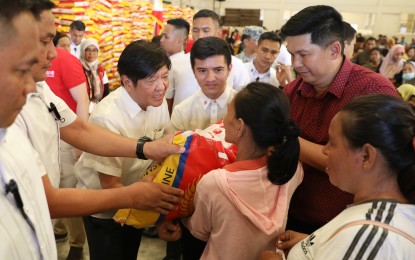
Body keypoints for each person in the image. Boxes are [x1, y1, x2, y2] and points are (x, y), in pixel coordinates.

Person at [7, 1, 184, 258]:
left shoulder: (40, 90)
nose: (55, 53)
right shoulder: (14, 118)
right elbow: (47, 199)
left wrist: (144, 149)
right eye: (46, 41)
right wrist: (134, 197)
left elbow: (79, 130)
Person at [279, 5, 397, 235]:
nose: (295, 64)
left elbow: (377, 167)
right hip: (290, 217)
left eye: (303, 54)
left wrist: (289, 140)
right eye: (291, 54)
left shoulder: (372, 90)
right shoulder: (292, 92)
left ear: (334, 50)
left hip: (347, 228)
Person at [158, 82, 304, 260]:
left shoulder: (215, 183)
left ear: (240, 126)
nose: (224, 119)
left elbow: (199, 231)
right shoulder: (292, 169)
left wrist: (174, 216)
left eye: (228, 112)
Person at [260, 94, 415, 259]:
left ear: (366, 156)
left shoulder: (371, 236)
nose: (325, 151)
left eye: (332, 142)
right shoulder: (370, 227)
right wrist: (318, 244)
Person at [75, 40, 172, 260]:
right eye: (151, 79)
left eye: (164, 76)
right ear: (127, 82)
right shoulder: (107, 117)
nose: (161, 86)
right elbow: (110, 185)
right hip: (105, 210)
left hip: (137, 198)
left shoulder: (158, 102)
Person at [165, 9, 250, 112]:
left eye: (206, 30)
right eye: (196, 30)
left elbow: (244, 102)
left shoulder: (236, 65)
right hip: (183, 125)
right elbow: (168, 100)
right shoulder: (176, 64)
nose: (200, 36)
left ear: (218, 33)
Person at [169, 37, 237, 132]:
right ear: (193, 71)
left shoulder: (245, 107)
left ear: (229, 69)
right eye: (202, 70)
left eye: (218, 70)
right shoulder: (181, 112)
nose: (210, 78)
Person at [80, 38, 110, 112]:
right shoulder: (78, 68)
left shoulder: (100, 69)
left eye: (94, 50)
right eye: (88, 50)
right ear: (82, 51)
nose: (91, 53)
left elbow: (106, 90)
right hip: (83, 108)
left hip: (98, 107)